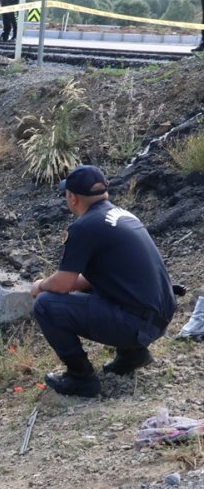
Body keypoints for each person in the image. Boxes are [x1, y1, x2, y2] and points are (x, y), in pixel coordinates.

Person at [30, 165, 176, 398]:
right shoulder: (122, 215)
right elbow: (97, 276)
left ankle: (81, 378)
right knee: (102, 284)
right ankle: (133, 355)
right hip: (160, 316)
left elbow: (62, 284)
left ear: (73, 197)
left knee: (45, 304)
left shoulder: (85, 227)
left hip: (136, 324)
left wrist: (39, 285)